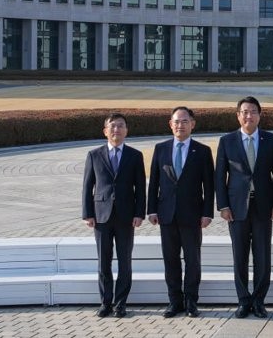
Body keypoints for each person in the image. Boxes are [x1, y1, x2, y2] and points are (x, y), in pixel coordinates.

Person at [216, 96, 273, 319]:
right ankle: (243, 300)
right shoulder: (227, 141)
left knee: (263, 256)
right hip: (236, 207)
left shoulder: (271, 140)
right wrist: (223, 205)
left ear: (259, 115)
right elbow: (220, 176)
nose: (249, 115)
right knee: (240, 256)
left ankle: (259, 300)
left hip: (263, 206)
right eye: (245, 111)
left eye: (253, 111)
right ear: (238, 115)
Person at [147, 106, 215, 318]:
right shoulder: (160, 149)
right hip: (166, 215)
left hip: (192, 215)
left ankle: (191, 302)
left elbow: (209, 186)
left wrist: (207, 213)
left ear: (192, 124)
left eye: (185, 121)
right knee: (171, 260)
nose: (180, 125)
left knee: (193, 260)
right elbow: (154, 183)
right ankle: (174, 302)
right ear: (170, 124)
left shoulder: (202, 151)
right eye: (176, 121)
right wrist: (151, 210)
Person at [81, 113, 146, 318]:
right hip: (101, 216)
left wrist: (139, 214)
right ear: (105, 131)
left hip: (127, 217)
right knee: (104, 262)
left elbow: (140, 189)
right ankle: (105, 302)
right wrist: (87, 213)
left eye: (120, 126)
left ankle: (120, 303)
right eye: (113, 126)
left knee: (125, 261)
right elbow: (87, 186)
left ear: (126, 130)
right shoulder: (94, 155)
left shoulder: (135, 156)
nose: (116, 130)